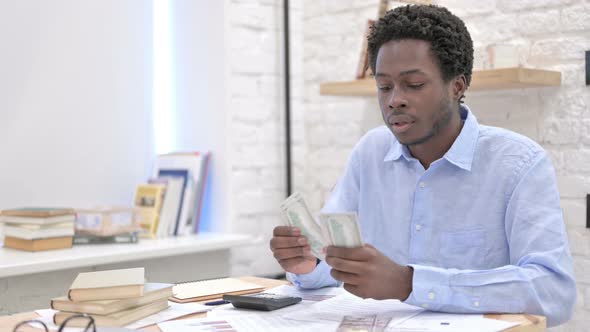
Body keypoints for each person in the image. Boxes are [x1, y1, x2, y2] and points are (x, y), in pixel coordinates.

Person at [269, 4, 576, 327]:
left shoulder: (518, 164)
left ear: (457, 86)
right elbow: (334, 266)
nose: (394, 100)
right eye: (384, 86)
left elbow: (553, 293)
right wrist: (308, 263)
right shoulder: (370, 153)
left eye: (413, 85)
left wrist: (409, 283)